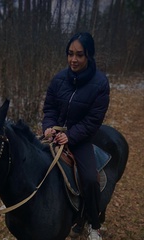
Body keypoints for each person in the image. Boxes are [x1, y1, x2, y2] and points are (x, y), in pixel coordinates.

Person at [42, 32, 110, 240]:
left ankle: (93, 223)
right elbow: (50, 107)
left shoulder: (100, 84)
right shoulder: (59, 78)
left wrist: (70, 136)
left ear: (89, 56)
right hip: (54, 135)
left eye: (79, 55)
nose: (74, 59)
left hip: (79, 139)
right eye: (70, 54)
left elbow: (93, 121)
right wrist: (48, 126)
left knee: (89, 178)